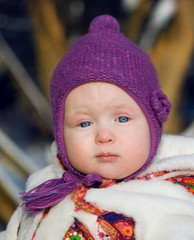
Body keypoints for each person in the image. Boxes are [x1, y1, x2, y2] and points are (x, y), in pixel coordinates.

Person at [1, 15, 194, 240]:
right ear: (62, 134)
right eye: (84, 123)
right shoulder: (45, 192)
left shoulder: (172, 202)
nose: (103, 136)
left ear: (152, 126)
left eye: (122, 119)